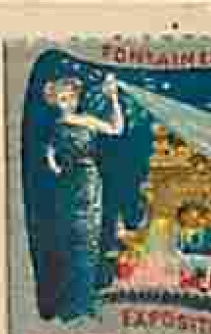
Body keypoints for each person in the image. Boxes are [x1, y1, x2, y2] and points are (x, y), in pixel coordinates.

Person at [39, 74, 125, 321]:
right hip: (67, 185)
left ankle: (84, 302)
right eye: (61, 99)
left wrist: (114, 100)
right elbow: (50, 152)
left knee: (88, 239)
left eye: (70, 98)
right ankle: (71, 303)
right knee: (68, 239)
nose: (65, 103)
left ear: (76, 99)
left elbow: (116, 129)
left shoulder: (87, 121)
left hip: (87, 182)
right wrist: (54, 164)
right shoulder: (56, 126)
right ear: (55, 101)